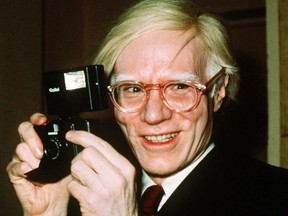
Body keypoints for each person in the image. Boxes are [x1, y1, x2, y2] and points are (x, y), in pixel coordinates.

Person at [6, 0, 288, 215]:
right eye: (132, 89)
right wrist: (49, 212)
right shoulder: (87, 194)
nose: (153, 115)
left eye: (180, 87)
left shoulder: (275, 198)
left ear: (217, 91)